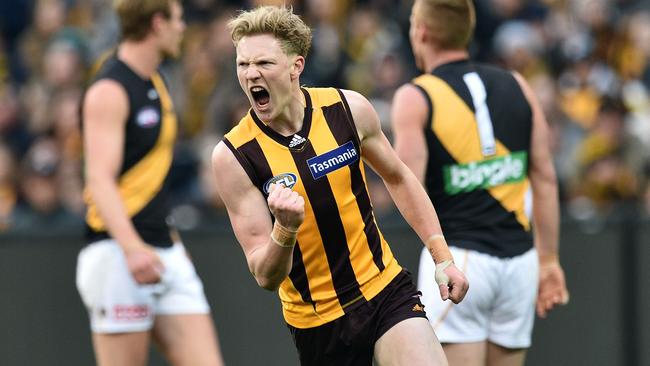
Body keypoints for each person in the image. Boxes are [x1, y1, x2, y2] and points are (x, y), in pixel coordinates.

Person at [211, 6, 468, 366]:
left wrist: (443, 258)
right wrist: (284, 229)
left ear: (295, 66)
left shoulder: (348, 108)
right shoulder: (233, 156)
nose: (251, 73)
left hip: (384, 291)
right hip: (318, 324)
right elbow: (265, 275)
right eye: (243, 65)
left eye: (264, 64)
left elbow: (398, 177)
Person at [390, 1, 570, 366]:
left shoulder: (415, 96)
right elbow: (546, 176)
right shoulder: (517, 83)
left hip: (459, 260)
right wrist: (549, 261)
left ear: (420, 31)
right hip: (520, 261)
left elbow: (408, 187)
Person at [75, 1, 224, 365]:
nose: (183, 28)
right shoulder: (108, 89)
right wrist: (132, 248)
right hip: (117, 252)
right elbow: (99, 179)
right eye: (178, 19)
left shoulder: (158, 81)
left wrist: (169, 240)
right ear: (158, 23)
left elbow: (150, 179)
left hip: (162, 251)